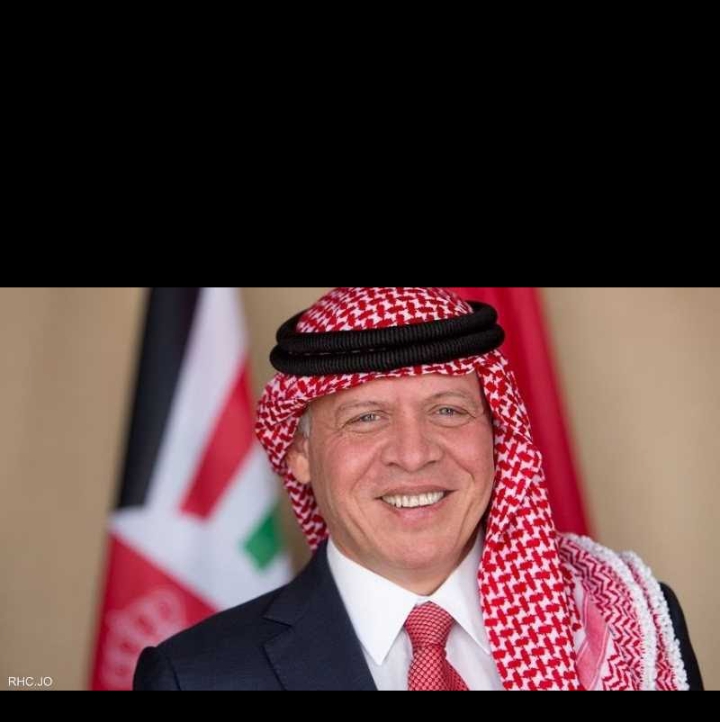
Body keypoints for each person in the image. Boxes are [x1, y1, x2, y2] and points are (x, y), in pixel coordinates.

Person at [134, 287, 703, 691]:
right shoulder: (197, 676)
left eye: (448, 410)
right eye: (366, 418)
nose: (414, 454)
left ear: (496, 434)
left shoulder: (627, 619)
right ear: (300, 454)